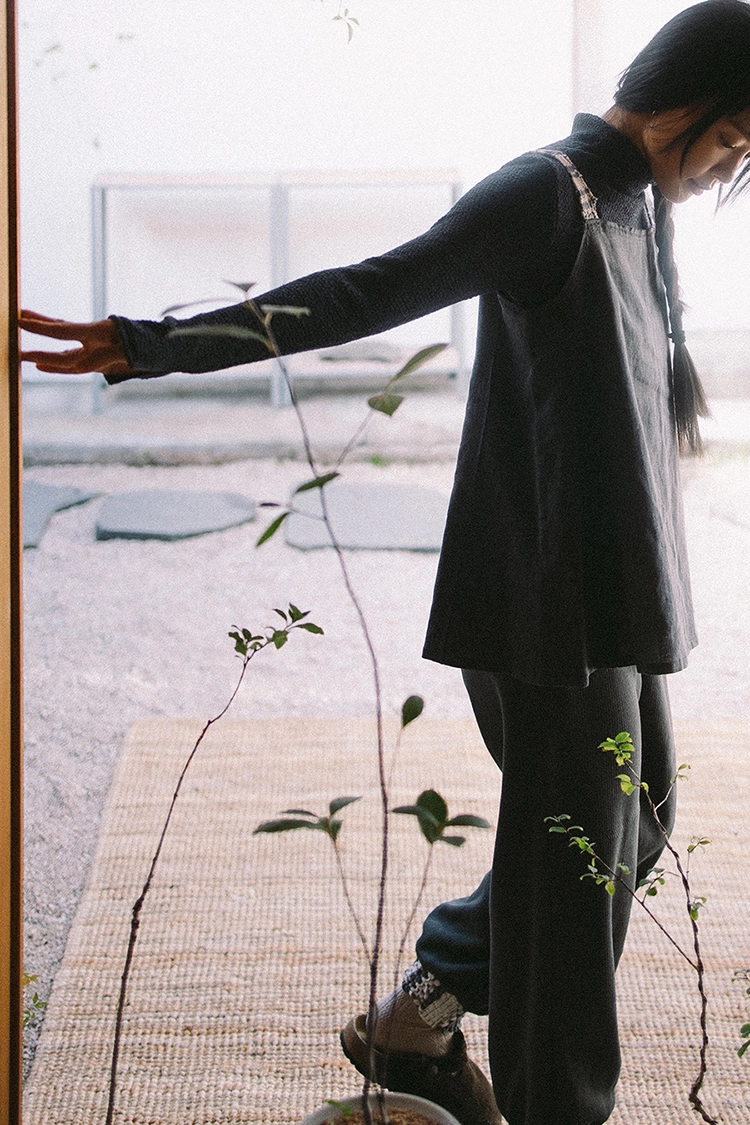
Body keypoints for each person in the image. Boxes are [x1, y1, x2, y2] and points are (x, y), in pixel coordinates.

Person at [20, 3, 750, 1122]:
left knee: (636, 822)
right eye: (732, 142)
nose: (727, 170)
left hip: (621, 589)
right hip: (549, 598)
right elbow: (369, 289)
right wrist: (154, 345)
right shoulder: (547, 193)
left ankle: (421, 1011)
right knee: (572, 885)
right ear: (683, 99)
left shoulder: (638, 204)